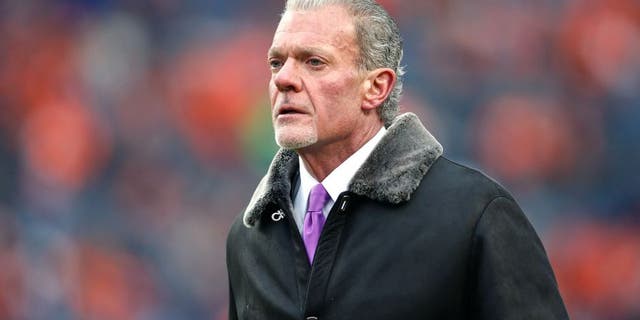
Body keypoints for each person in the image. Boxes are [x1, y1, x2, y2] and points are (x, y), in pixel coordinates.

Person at [226, 1, 569, 319]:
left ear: (376, 87)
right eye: (276, 62)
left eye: (314, 62)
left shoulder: (473, 213)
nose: (283, 79)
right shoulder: (249, 236)